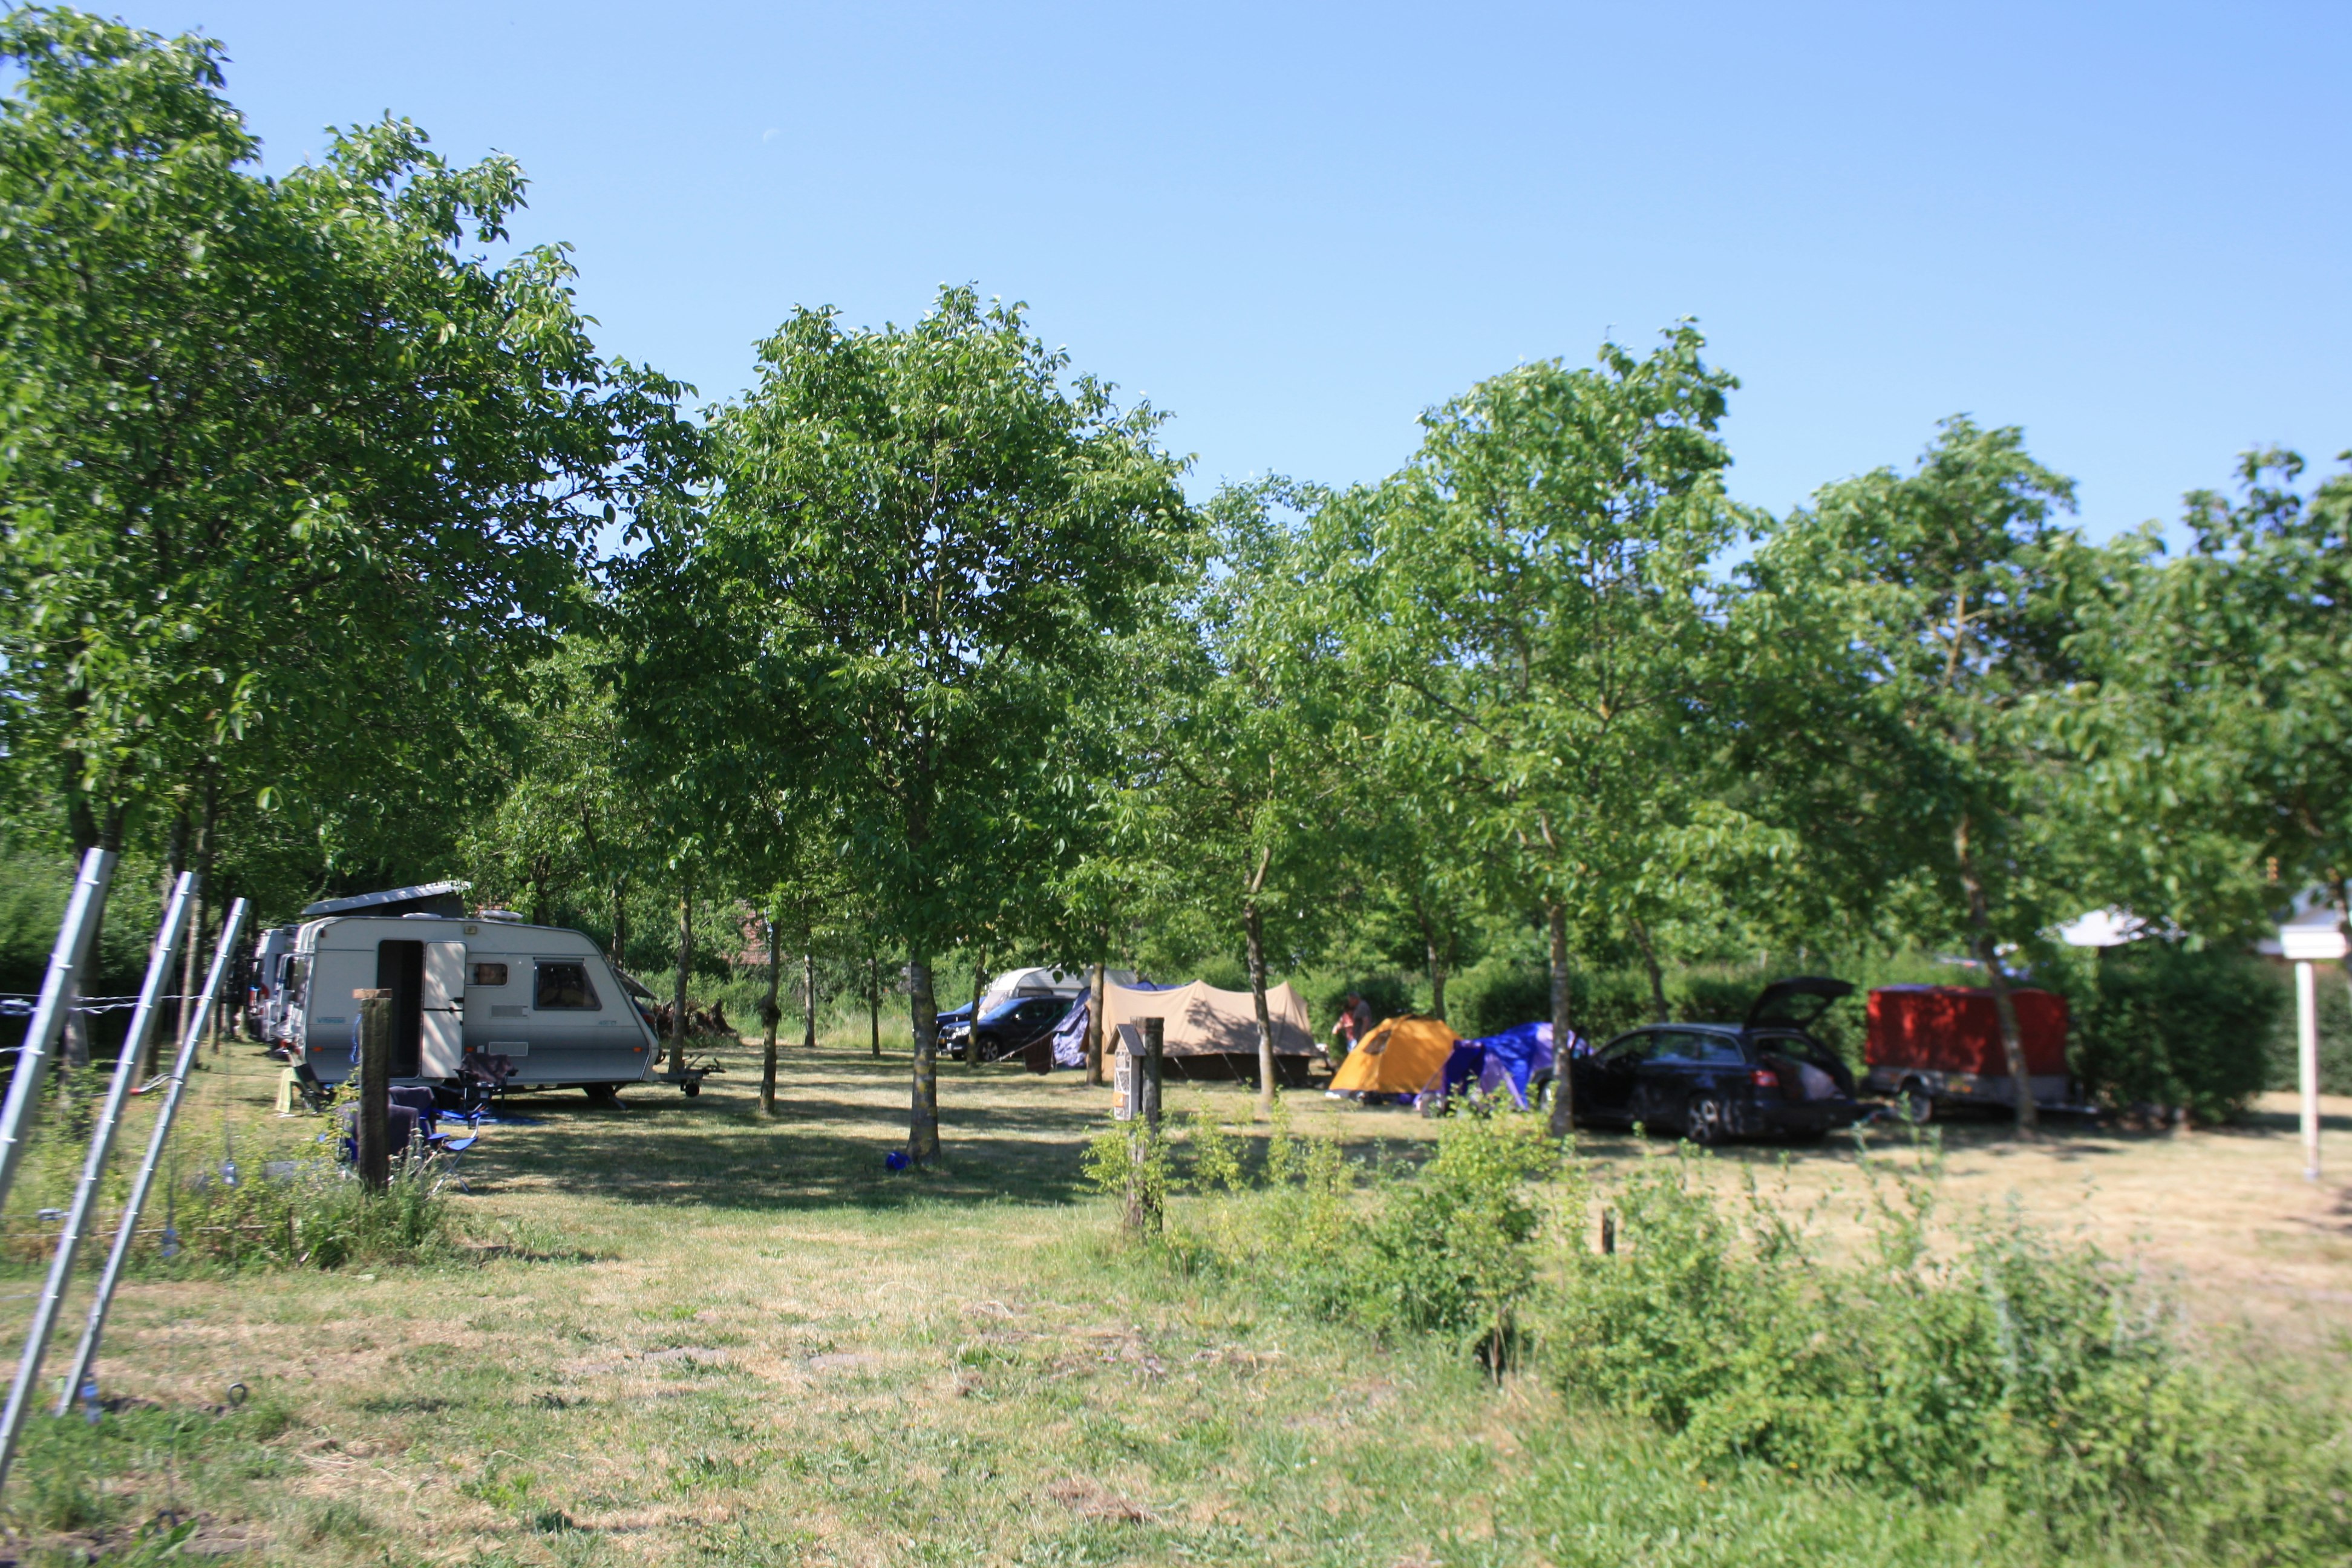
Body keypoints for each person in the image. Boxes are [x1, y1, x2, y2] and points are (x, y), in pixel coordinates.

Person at [1330, 992, 1373, 1067]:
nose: (1350, 1003)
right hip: (1356, 1037)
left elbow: (1366, 1021)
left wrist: (1362, 1035)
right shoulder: (1360, 1006)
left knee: (1357, 1056)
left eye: (1350, 1001)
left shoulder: (1361, 1007)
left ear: (1355, 999)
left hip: (1360, 1037)